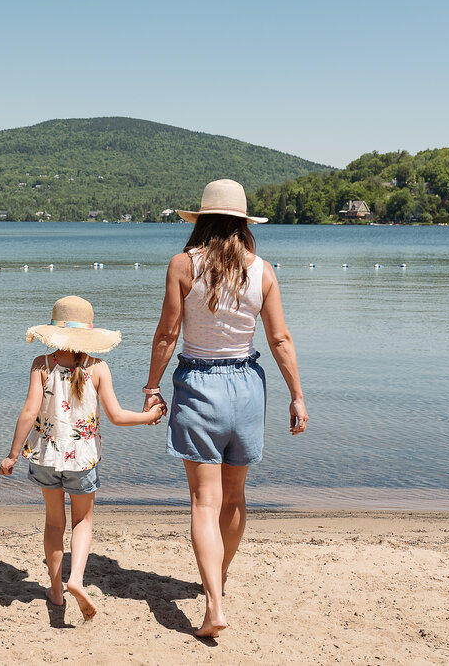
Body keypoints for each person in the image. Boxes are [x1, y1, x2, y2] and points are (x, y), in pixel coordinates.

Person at [142, 179, 308, 637]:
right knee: (234, 498)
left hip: (199, 385)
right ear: (243, 224)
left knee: (204, 500)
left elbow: (167, 335)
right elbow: (279, 340)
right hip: (249, 388)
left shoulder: (183, 265)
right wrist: (297, 395)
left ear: (202, 221)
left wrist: (152, 386)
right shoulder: (263, 271)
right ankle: (222, 577)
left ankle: (214, 602)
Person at [0, 295, 165, 621]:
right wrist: (150, 416)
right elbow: (116, 416)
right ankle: (76, 578)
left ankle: (57, 591)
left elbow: (29, 411)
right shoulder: (98, 368)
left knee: (53, 522)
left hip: (46, 457)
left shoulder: (41, 365)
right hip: (83, 460)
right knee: (82, 521)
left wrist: (12, 454)